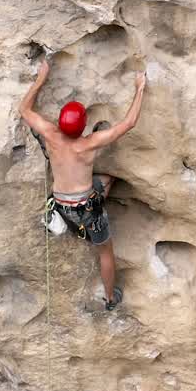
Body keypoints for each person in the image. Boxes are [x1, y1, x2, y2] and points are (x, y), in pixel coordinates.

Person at [18, 59, 146, 311]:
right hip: (88, 211)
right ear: (84, 125)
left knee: (106, 181)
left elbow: (24, 109)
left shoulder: (51, 135)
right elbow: (128, 124)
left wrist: (41, 78)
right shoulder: (89, 144)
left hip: (62, 207)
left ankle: (74, 226)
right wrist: (140, 88)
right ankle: (110, 298)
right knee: (105, 251)